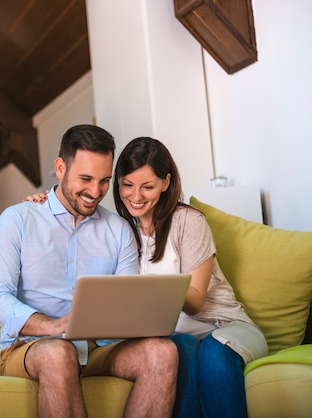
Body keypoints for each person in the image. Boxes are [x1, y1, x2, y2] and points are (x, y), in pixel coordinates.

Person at [25, 136, 268, 417]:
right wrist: (45, 202)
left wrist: (148, 291)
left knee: (212, 355)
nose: (136, 196)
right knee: (180, 348)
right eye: (127, 185)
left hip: (223, 326)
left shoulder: (188, 222)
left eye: (147, 187)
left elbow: (197, 302)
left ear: (165, 183)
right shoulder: (119, 230)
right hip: (175, 337)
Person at [0, 125, 179, 418]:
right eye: (85, 179)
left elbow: (126, 301)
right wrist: (52, 326)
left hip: (97, 348)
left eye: (104, 181)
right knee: (59, 352)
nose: (95, 191)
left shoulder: (118, 230)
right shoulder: (18, 220)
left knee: (163, 352)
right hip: (31, 349)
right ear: (60, 168)